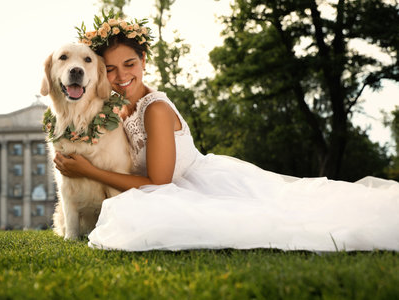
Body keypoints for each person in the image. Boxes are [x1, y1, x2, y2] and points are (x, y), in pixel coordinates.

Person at [53, 14, 399, 252]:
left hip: (190, 185)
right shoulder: (117, 107)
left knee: (281, 222)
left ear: (144, 61)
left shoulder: (155, 109)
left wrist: (89, 172)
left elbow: (160, 183)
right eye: (110, 69)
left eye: (130, 65)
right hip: (159, 190)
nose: (120, 76)